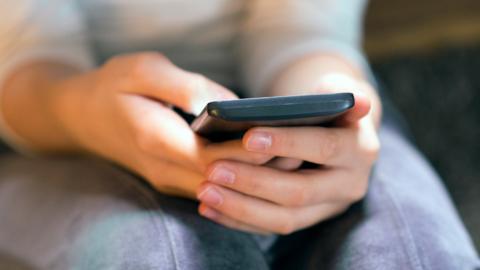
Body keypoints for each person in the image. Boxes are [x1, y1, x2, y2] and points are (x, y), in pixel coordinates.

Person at [0, 0, 478, 269]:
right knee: (158, 255)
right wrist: (85, 110)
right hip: (57, 117)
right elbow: (26, 63)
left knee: (420, 253)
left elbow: (302, 31)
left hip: (277, 88)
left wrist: (333, 104)